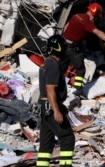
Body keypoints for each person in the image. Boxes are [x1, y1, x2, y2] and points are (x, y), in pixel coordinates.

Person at [62, 2, 105, 96]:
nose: (95, 20)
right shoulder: (87, 22)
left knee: (61, 67)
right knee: (81, 69)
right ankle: (78, 90)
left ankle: (57, 85)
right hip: (72, 48)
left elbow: (65, 28)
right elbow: (98, 32)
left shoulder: (76, 15)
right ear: (95, 14)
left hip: (64, 44)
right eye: (96, 17)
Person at [36, 34, 75, 167]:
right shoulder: (53, 64)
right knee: (67, 137)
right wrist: (56, 111)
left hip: (44, 106)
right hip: (50, 106)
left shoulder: (46, 62)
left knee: (46, 141)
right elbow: (50, 89)